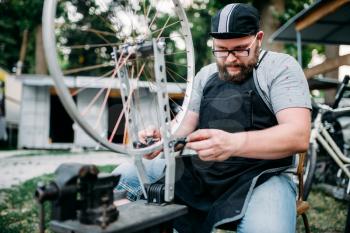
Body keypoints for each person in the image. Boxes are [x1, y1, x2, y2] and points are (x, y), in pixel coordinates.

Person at [113, 3, 311, 233]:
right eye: (221, 50)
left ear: (258, 38)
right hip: (205, 173)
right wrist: (161, 135)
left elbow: (298, 135)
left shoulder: (280, 67)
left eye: (240, 49)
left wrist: (233, 143)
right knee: (123, 175)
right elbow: (184, 125)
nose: (229, 59)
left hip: (264, 177)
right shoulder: (205, 75)